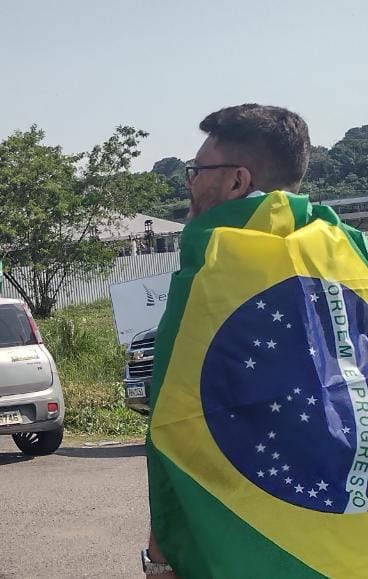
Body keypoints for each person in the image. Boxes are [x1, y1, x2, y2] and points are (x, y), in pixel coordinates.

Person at [145, 104, 328, 577]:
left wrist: (159, 557)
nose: (190, 182)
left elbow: (176, 423)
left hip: (248, 542)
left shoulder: (215, 265)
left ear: (235, 181)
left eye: (197, 170)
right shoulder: (346, 250)